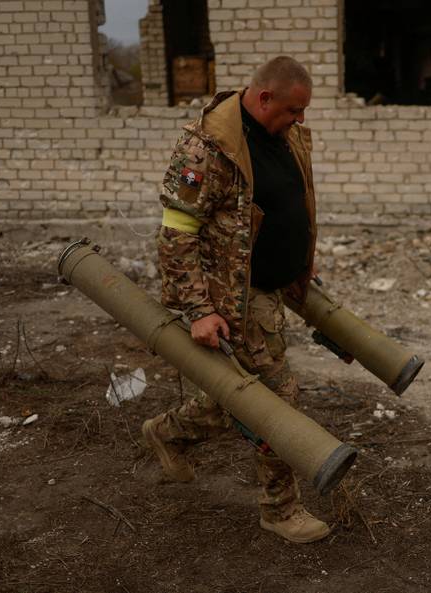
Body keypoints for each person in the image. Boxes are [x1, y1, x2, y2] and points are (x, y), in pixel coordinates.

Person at [141, 56, 330, 544]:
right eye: (295, 109)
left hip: (271, 289)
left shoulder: (281, 135)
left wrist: (298, 266)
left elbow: (290, 203)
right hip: (234, 301)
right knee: (275, 402)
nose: (301, 119)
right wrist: (200, 310)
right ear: (264, 98)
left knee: (232, 400)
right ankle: (280, 509)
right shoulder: (206, 148)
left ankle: (168, 432)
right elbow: (176, 234)